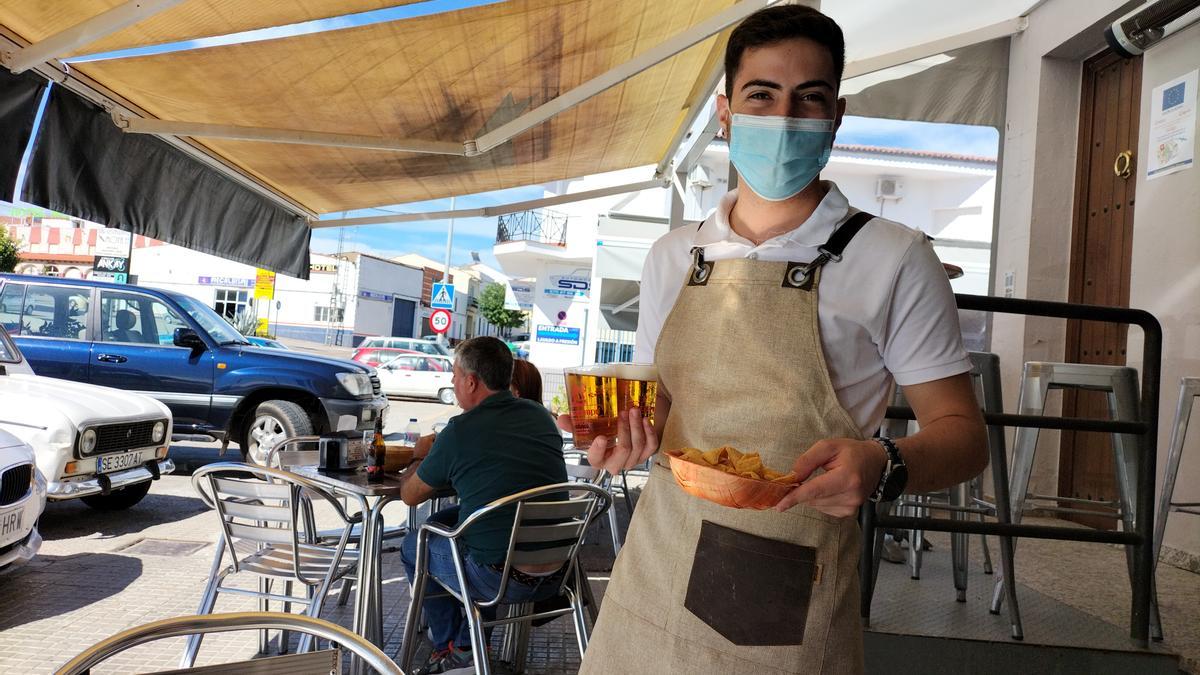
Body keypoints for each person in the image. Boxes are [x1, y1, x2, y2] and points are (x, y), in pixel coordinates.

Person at [568, 6, 988, 674]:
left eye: (809, 99)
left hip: (785, 577)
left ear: (837, 114)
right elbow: (661, 407)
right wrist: (625, 430)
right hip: (654, 562)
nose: (785, 118)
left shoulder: (895, 258)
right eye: (762, 95)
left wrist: (884, 463)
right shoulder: (673, 255)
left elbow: (965, 435)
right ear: (726, 112)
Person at [400, 336, 568, 674]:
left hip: (496, 578)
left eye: (455, 375)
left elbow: (410, 496)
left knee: (414, 543)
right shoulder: (539, 416)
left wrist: (422, 455)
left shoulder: (459, 431)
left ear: (471, 381)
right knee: (460, 523)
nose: (452, 382)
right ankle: (469, 639)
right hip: (557, 573)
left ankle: (454, 645)